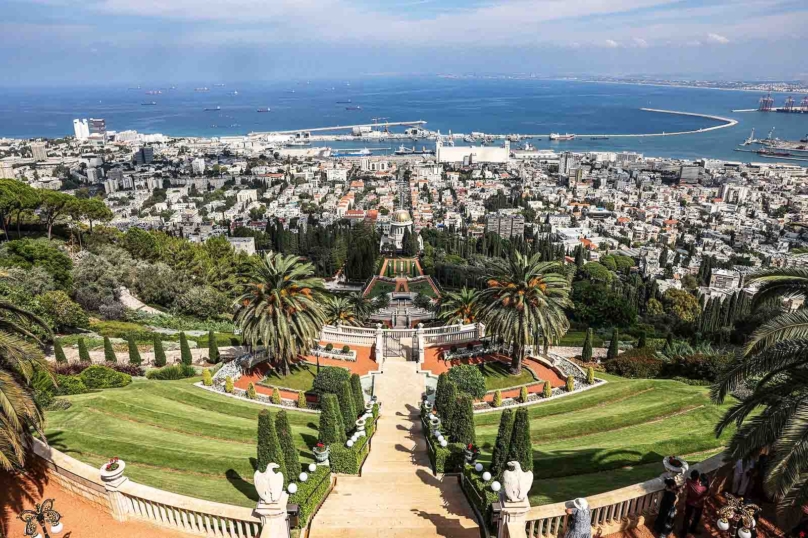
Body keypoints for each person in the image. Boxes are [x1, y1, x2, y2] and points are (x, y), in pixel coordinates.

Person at [681, 470, 708, 536]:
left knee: (687, 517)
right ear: (698, 477)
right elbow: (706, 492)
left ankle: (684, 532)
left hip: (689, 502)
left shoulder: (688, 481)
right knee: (696, 518)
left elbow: (687, 478)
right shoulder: (702, 488)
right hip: (698, 505)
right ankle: (692, 529)